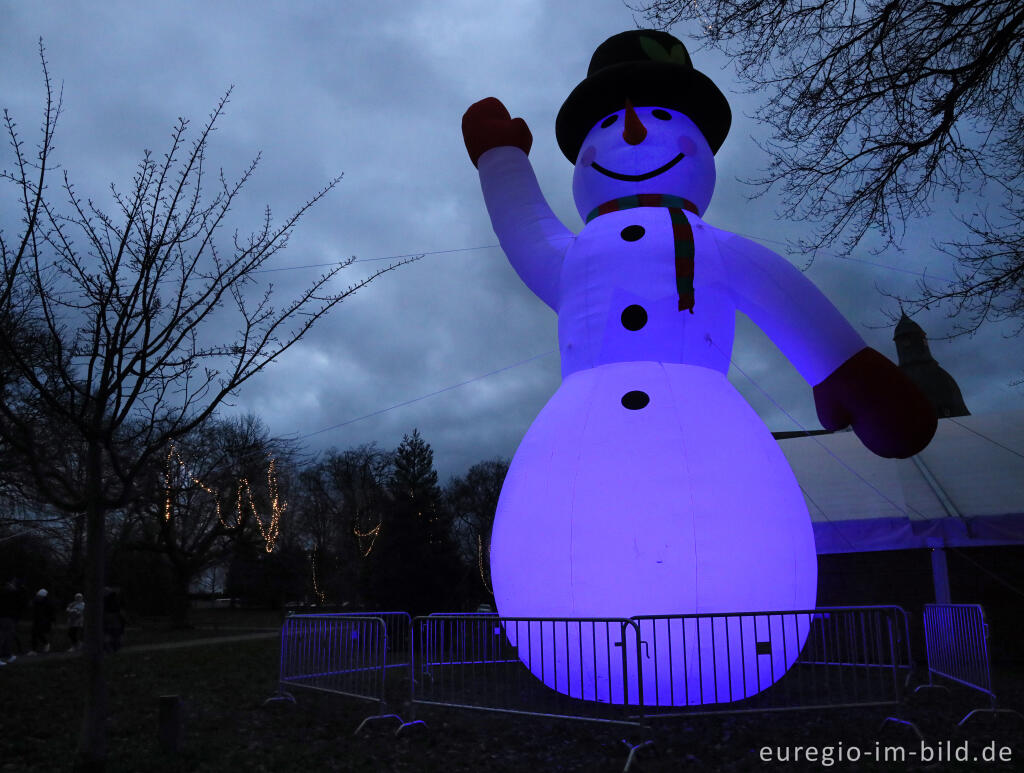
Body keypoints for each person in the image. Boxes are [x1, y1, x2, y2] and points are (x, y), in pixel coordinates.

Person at [28, 588, 55, 655]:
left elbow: (51, 613)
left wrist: (51, 621)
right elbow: (33, 610)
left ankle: (45, 644)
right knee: (34, 634)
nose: (38, 597)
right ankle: (34, 649)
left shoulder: (48, 603)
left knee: (38, 633)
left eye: (40, 596)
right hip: (37, 620)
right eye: (38, 595)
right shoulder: (36, 601)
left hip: (44, 621)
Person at [0, 579, 20, 664]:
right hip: (6, 617)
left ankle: (7, 655)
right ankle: (6, 655)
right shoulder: (9, 594)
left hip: (6, 617)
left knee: (7, 636)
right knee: (4, 636)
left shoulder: (6, 594)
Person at [103, 587, 125, 653]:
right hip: (113, 617)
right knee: (113, 632)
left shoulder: (108, 601)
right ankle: (112, 647)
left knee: (110, 632)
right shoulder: (114, 601)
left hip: (111, 617)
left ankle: (111, 647)